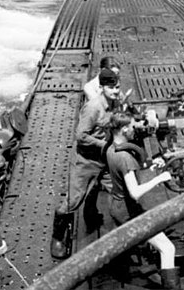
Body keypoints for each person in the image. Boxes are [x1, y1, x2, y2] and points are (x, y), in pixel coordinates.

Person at [50, 68, 122, 259]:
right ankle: (57, 238)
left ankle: (91, 216)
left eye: (117, 87)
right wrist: (104, 145)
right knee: (73, 200)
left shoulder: (115, 102)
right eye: (112, 87)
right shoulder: (93, 108)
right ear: (102, 88)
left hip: (103, 158)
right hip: (86, 160)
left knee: (115, 189)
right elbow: (81, 136)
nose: (116, 91)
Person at [106, 111, 180, 289]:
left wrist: (153, 166)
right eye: (132, 127)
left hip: (116, 204)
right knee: (168, 248)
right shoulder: (125, 158)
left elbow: (126, 176)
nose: (134, 130)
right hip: (128, 211)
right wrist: (159, 179)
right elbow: (135, 193)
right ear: (124, 129)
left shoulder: (112, 148)